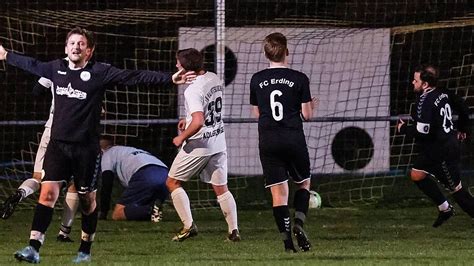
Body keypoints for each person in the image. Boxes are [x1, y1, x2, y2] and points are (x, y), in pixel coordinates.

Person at [0, 26, 194, 263]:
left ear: (89, 51)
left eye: (81, 44)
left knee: (87, 200)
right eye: (72, 43)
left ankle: (84, 249)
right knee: (47, 194)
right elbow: (31, 64)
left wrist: (169, 78)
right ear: (66, 48)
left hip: (86, 150)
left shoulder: (100, 72)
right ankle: (33, 247)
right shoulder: (55, 68)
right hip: (58, 146)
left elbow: (132, 77)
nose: (76, 47)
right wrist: (5, 55)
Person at [249, 32, 317, 252]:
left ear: (266, 54)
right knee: (304, 183)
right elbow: (307, 115)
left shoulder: (257, 79)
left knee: (279, 194)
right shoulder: (299, 78)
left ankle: (288, 244)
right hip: (293, 137)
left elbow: (256, 113)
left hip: (268, 139)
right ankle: (298, 222)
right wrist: (310, 105)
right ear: (287, 51)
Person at [166, 48, 240, 242]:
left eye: (178, 63)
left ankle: (189, 226)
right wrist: (187, 118)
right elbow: (206, 109)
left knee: (172, 182)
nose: (176, 65)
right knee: (221, 188)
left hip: (200, 143)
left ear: (184, 66)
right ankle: (234, 231)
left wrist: (181, 137)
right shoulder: (214, 78)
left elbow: (199, 121)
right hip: (218, 141)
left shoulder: (193, 90)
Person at [0, 77, 79, 243]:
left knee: (38, 176)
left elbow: (36, 90)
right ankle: (64, 232)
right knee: (74, 183)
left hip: (50, 129)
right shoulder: (92, 71)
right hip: (73, 133)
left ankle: (21, 193)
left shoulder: (54, 68)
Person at [397, 64, 474, 227]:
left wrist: (403, 128)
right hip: (436, 148)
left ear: (425, 84)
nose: (412, 82)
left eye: (415, 80)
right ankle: (445, 209)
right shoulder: (442, 92)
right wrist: (463, 127)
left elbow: (423, 131)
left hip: (443, 151)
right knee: (416, 174)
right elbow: (461, 105)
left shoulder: (425, 100)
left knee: (457, 191)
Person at [98, 136, 169, 222]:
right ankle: (153, 210)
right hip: (166, 174)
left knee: (117, 213)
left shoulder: (107, 154)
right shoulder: (129, 150)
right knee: (138, 206)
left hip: (145, 173)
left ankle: (150, 210)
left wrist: (103, 212)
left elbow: (107, 184)